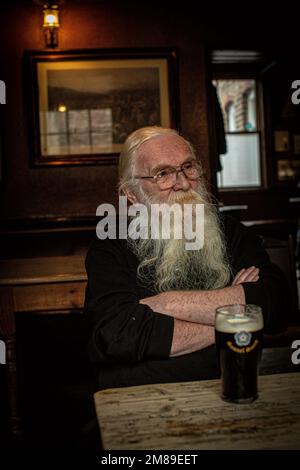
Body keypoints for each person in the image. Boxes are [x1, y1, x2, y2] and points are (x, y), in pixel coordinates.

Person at [84, 126, 290, 390]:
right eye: (163, 173)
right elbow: (118, 333)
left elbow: (275, 302)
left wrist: (167, 303)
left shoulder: (229, 231)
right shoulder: (111, 246)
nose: (182, 183)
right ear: (132, 195)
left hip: (231, 389)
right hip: (143, 398)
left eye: (188, 167)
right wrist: (235, 321)